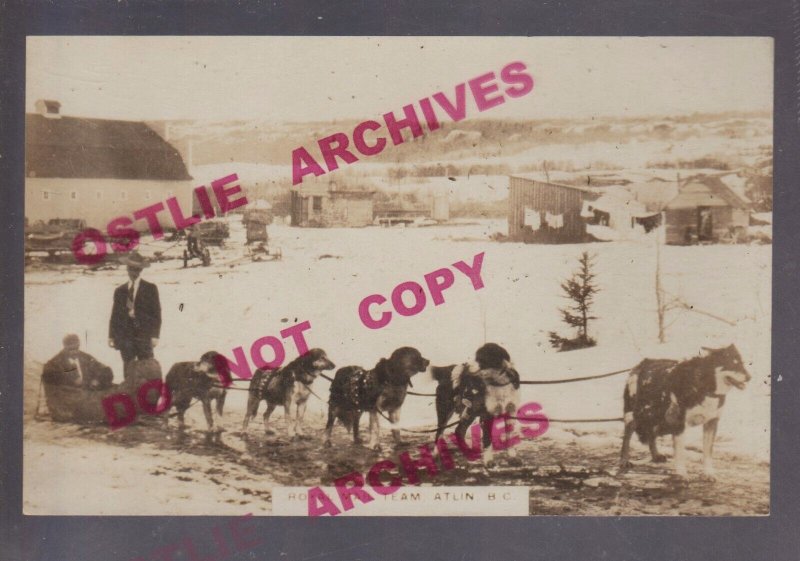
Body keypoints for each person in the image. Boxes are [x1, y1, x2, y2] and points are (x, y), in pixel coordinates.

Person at [109, 251, 162, 369]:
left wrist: (155, 335)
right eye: (131, 269)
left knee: (147, 366)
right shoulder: (120, 290)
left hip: (143, 334)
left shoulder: (150, 288)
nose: (134, 272)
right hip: (125, 335)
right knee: (128, 366)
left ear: (141, 270)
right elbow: (115, 314)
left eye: (137, 269)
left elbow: (156, 313)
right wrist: (111, 335)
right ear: (127, 269)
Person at [42, 333, 114, 389]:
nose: (75, 352)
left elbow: (106, 371)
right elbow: (48, 375)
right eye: (71, 349)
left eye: (76, 348)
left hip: (87, 395)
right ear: (64, 347)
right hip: (68, 398)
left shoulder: (86, 358)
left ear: (79, 345)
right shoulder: (56, 362)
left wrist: (98, 380)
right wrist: (71, 381)